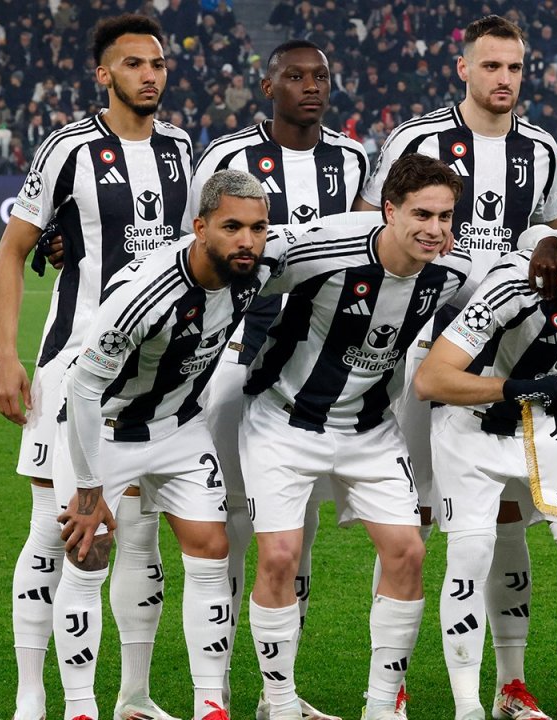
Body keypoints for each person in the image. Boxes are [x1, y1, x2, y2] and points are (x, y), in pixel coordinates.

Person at [358, 16, 557, 720]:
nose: (504, 79)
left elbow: (547, 235)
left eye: (514, 67)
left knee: (507, 520)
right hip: (424, 350)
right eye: (491, 66)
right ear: (463, 68)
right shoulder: (416, 140)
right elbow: (373, 225)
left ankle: (510, 685)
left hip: (507, 356)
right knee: (411, 520)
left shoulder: (541, 148)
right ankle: (393, 683)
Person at [0, 15, 192, 720]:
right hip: (72, 361)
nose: (150, 74)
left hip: (151, 376)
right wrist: (7, 354)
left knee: (135, 532)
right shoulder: (68, 148)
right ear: (104, 75)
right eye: (133, 63)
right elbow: (14, 249)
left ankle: (133, 696)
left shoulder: (180, 147)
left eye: (157, 63)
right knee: (58, 530)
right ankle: (33, 693)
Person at [240, 154, 472, 720]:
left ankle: (381, 707)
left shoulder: (454, 270)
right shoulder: (326, 248)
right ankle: (279, 705)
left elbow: (520, 270)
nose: (434, 230)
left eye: (445, 217)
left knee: (408, 552)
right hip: (284, 420)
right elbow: (237, 258)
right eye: (421, 215)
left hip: (370, 429)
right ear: (388, 210)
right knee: (279, 556)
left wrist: (546, 245)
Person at [413, 195, 557, 720]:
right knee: (471, 555)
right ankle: (469, 708)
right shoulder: (513, 287)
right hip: (471, 426)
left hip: (543, 428)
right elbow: (431, 380)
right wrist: (518, 386)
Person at [188, 38, 368, 720]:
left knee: (299, 529)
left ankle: (278, 693)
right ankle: (217, 694)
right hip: (236, 355)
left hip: (314, 365)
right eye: (295, 76)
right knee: (232, 521)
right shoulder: (228, 155)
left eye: (320, 76)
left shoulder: (351, 158)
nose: (310, 86)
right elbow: (195, 250)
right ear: (269, 87)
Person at [52, 169, 273, 720]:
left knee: (212, 549)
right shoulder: (145, 295)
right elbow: (83, 389)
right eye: (232, 227)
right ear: (200, 228)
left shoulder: (256, 265)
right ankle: (80, 708)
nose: (247, 241)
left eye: (258, 228)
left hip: (179, 426)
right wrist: (88, 490)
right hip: (104, 430)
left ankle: (210, 705)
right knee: (88, 552)